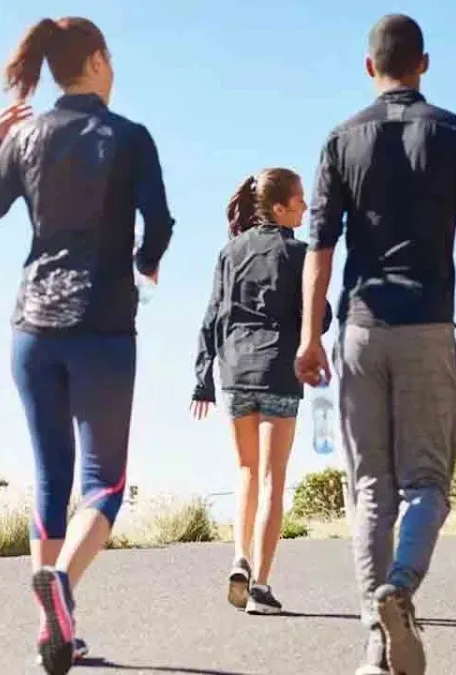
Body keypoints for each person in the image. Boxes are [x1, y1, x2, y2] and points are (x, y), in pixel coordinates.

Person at [0, 16, 175, 675]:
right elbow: (159, 220)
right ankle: (61, 584)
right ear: (100, 60)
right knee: (104, 484)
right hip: (101, 325)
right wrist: (147, 260)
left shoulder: (24, 136)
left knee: (51, 478)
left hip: (31, 328)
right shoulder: (130, 136)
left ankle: (52, 634)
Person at [295, 14, 456, 675]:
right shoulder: (454, 132)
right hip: (428, 326)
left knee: (369, 490)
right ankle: (401, 588)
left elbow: (320, 248)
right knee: (427, 485)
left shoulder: (339, 139)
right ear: (424, 63)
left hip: (359, 329)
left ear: (369, 66)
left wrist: (309, 334)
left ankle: (374, 644)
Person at [191, 168, 332, 615]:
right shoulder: (300, 254)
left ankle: (240, 558)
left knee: (246, 473)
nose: (305, 207)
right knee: (273, 479)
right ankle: (261, 587)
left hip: (234, 372)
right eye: (299, 200)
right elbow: (320, 315)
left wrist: (202, 380)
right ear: (278, 208)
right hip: (278, 371)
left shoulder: (229, 252)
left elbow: (212, 317)